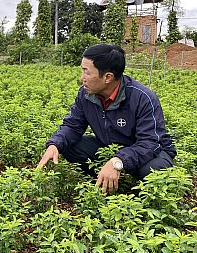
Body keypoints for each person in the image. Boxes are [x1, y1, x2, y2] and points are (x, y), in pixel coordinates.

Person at [38, 44, 176, 193]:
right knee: (69, 146)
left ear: (108, 77)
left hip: (147, 151)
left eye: (87, 72)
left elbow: (150, 143)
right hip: (109, 146)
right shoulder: (85, 94)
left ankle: (136, 192)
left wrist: (119, 160)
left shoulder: (142, 97)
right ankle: (104, 181)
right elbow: (73, 126)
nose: (82, 78)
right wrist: (55, 144)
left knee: (154, 170)